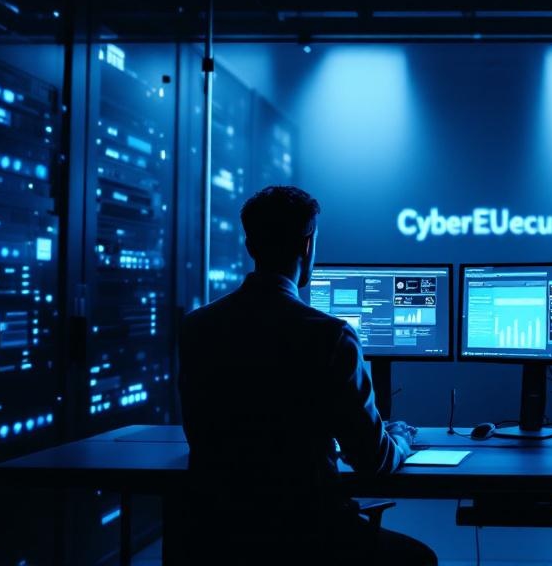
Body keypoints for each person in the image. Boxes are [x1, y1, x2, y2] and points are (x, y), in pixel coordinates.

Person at [177, 186, 437, 565]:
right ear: (308, 245)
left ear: (250, 247)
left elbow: (201, 434)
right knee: (419, 560)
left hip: (219, 536)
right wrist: (395, 438)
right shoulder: (330, 335)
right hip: (312, 535)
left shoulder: (196, 327)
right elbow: (372, 460)